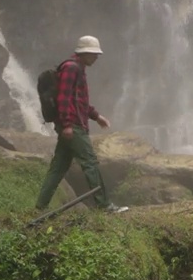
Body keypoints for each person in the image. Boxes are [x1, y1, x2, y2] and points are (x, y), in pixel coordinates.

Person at [34, 35, 127, 213]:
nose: (96, 57)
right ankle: (104, 205)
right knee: (90, 162)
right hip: (74, 126)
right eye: (93, 53)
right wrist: (67, 124)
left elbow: (80, 102)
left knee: (58, 167)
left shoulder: (77, 68)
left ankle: (40, 206)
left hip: (73, 125)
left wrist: (96, 116)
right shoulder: (71, 68)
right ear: (84, 53)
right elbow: (64, 97)